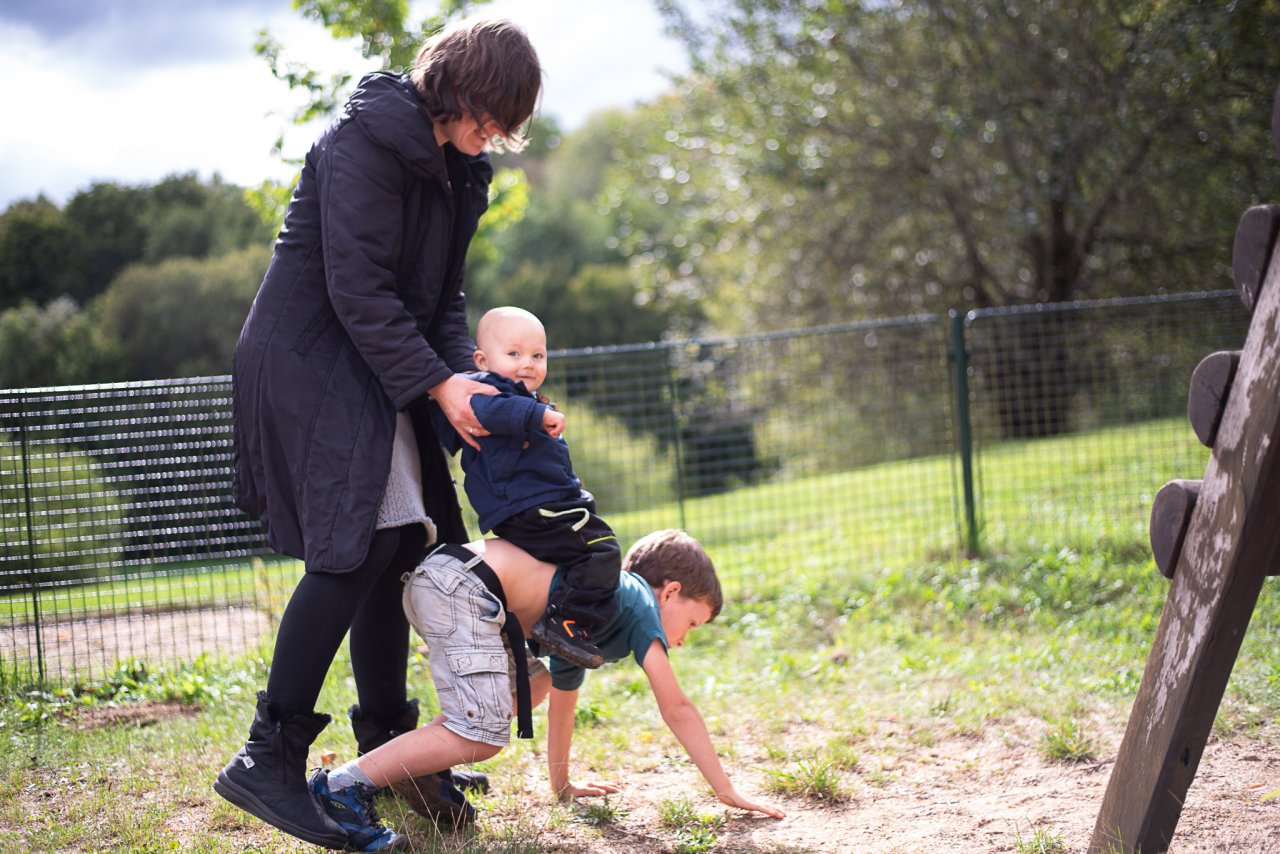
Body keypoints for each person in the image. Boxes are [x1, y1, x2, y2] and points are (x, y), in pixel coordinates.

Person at [214, 17, 543, 848]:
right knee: (356, 548)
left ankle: (390, 756)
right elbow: (357, 289)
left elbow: (442, 302)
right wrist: (437, 382)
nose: (496, 133)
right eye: (494, 113)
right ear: (462, 86)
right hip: (308, 362)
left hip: (371, 365)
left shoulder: (458, 168)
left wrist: (464, 387)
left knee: (400, 547)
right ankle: (267, 760)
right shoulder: (364, 143)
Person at [309, 530, 786, 850]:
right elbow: (675, 705)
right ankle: (339, 786)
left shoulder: (596, 613)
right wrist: (726, 789)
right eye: (693, 623)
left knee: (534, 683)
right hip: (464, 589)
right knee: (482, 736)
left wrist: (562, 785)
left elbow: (562, 702)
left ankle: (418, 770)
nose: (682, 640)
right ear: (670, 591)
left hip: (450, 581)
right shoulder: (639, 601)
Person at [428, 306, 619, 669]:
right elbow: (494, 412)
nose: (527, 364)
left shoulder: (523, 398)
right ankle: (564, 622)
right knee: (600, 548)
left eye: (537, 355)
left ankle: (541, 624)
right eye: (514, 354)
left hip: (537, 503)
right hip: (529, 506)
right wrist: (537, 415)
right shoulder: (485, 390)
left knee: (574, 549)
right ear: (482, 360)